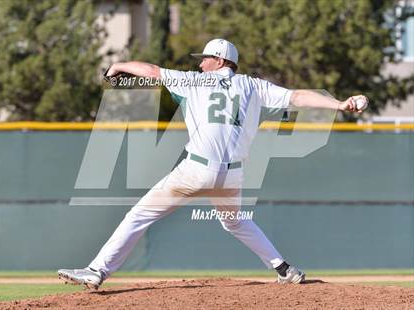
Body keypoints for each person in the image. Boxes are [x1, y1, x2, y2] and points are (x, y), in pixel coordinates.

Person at [58, 38, 368, 289]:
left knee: (139, 214)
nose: (200, 62)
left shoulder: (193, 82)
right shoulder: (253, 86)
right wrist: (339, 104)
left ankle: (96, 271)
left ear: (219, 61)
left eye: (205, 58)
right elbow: (298, 97)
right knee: (234, 221)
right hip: (231, 176)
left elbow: (151, 70)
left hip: (196, 170)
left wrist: (118, 65)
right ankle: (284, 269)